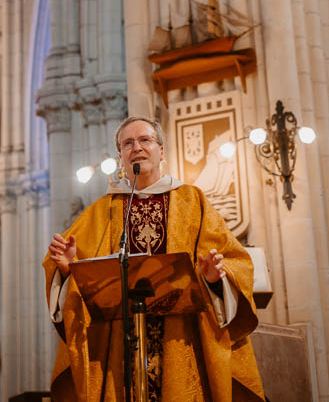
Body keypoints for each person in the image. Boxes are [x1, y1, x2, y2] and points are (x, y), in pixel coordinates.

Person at [44, 116, 263, 401]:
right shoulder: (102, 210)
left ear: (161, 151)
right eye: (128, 143)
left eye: (145, 140)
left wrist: (215, 279)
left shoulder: (191, 201)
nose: (137, 148)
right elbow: (79, 285)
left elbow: (236, 261)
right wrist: (67, 269)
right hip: (119, 347)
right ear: (120, 157)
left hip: (181, 341)